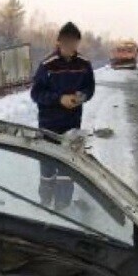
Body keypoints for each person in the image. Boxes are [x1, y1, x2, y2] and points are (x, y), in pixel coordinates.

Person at [31, 22, 95, 209]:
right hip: (48, 125)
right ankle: (45, 202)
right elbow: (36, 94)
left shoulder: (84, 65)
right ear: (58, 42)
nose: (70, 47)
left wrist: (81, 97)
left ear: (77, 43)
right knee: (48, 168)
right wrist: (59, 99)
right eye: (66, 43)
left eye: (73, 43)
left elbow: (89, 89)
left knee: (68, 169)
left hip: (72, 125)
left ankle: (62, 206)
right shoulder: (47, 65)